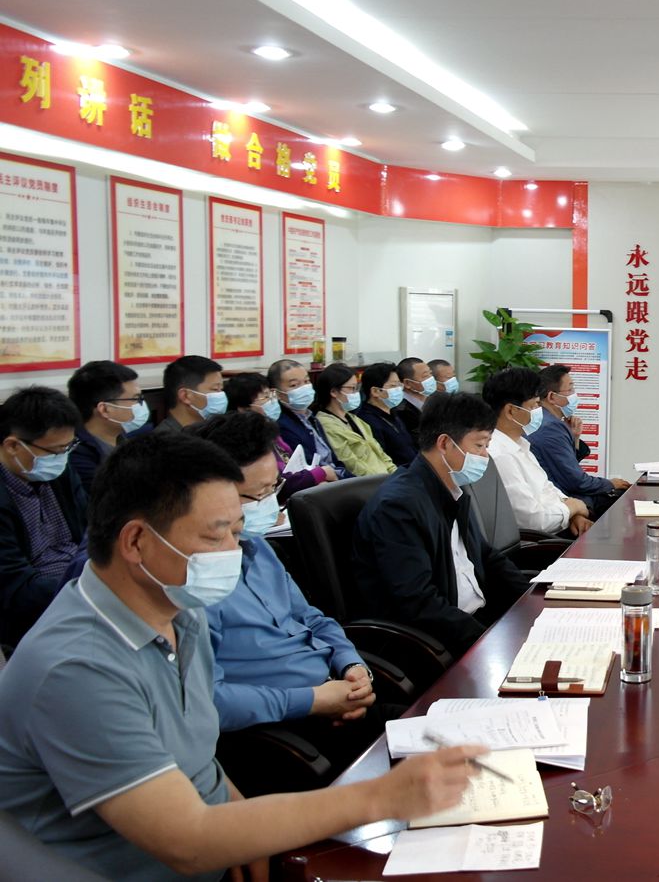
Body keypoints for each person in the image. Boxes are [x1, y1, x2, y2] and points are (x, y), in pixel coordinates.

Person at [0, 432, 481, 881]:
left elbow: (196, 755)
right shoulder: (77, 669)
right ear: (136, 541)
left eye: (238, 529)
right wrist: (380, 797)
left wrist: (238, 813)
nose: (237, 550)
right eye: (216, 537)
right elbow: (186, 840)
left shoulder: (176, 606)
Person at [188, 413, 389, 771]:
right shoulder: (196, 578)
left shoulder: (258, 547)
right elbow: (209, 701)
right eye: (259, 494)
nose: (270, 502)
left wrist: (352, 665)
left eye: (274, 488)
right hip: (280, 735)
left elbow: (311, 618)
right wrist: (313, 701)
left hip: (335, 693)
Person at [352, 392, 530, 655]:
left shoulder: (452, 487)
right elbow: (418, 602)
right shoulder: (398, 507)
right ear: (445, 443)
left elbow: (485, 556)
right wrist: (486, 642)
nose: (485, 455)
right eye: (479, 445)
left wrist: (532, 600)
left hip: (477, 622)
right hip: (435, 644)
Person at [0, 387, 86, 651]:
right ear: (13, 446)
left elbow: (92, 529)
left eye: (69, 447)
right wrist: (90, 587)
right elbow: (14, 589)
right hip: (35, 615)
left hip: (82, 587)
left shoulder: (58, 471)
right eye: (56, 450)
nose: (63, 457)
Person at [485, 368, 592, 536]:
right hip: (539, 541)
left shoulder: (520, 444)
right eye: (534, 405)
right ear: (511, 411)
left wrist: (573, 515)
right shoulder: (501, 455)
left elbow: (548, 490)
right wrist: (573, 508)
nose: (539, 411)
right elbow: (534, 521)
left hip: (557, 528)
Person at [527, 364, 628, 519]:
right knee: (624, 498)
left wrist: (575, 437)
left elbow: (566, 468)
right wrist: (611, 483)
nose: (574, 395)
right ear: (552, 397)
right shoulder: (551, 427)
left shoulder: (549, 422)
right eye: (570, 390)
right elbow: (577, 482)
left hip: (563, 498)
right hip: (564, 502)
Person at [225, 372, 327, 502]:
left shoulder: (271, 430)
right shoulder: (244, 440)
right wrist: (319, 473)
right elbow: (279, 482)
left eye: (272, 395)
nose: (273, 401)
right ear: (244, 409)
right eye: (265, 397)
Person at [67, 360, 150, 492]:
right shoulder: (77, 455)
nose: (141, 405)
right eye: (136, 399)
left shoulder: (129, 441)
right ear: (105, 409)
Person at [268, 358, 349, 479]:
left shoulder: (311, 417)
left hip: (337, 475)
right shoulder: (281, 424)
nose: (304, 388)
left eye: (306, 381)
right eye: (294, 385)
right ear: (277, 393)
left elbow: (333, 459)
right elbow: (306, 466)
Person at [312, 364, 395, 477]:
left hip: (385, 477)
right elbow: (351, 464)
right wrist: (381, 481)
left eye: (357, 388)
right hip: (369, 482)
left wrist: (395, 474)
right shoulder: (325, 424)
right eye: (351, 388)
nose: (356, 393)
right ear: (334, 392)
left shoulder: (354, 419)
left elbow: (380, 453)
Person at [354, 362, 418, 468]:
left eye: (399, 385)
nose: (398, 389)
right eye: (393, 386)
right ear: (375, 391)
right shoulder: (367, 420)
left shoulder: (393, 414)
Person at [154, 354, 225, 433]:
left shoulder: (211, 430)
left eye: (221, 389)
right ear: (185, 396)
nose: (221, 395)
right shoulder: (163, 438)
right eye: (215, 389)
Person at [395, 356, 435, 440]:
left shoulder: (434, 398)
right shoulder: (400, 409)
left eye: (430, 374)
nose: (431, 379)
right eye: (425, 376)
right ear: (407, 383)